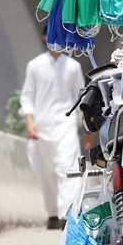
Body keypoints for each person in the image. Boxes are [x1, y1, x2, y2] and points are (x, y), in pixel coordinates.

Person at [20, 28, 85, 229]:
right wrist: (30, 122)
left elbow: (81, 98)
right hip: (42, 127)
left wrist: (87, 129)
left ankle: (67, 214)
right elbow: (27, 95)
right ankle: (52, 214)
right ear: (44, 37)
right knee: (46, 172)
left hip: (66, 124)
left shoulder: (73, 66)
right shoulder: (35, 65)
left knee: (68, 168)